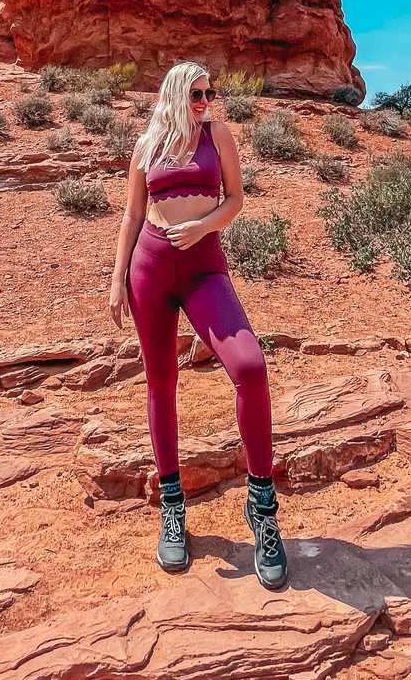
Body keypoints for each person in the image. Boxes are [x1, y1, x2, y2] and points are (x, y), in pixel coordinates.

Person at [108, 60, 288, 589]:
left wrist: (202, 225)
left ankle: (262, 507)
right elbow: (132, 215)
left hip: (204, 264)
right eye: (196, 94)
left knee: (250, 368)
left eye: (209, 94)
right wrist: (117, 278)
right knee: (162, 385)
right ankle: (172, 508)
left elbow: (235, 198)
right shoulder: (147, 143)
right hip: (151, 268)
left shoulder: (218, 135)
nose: (205, 102)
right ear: (174, 94)